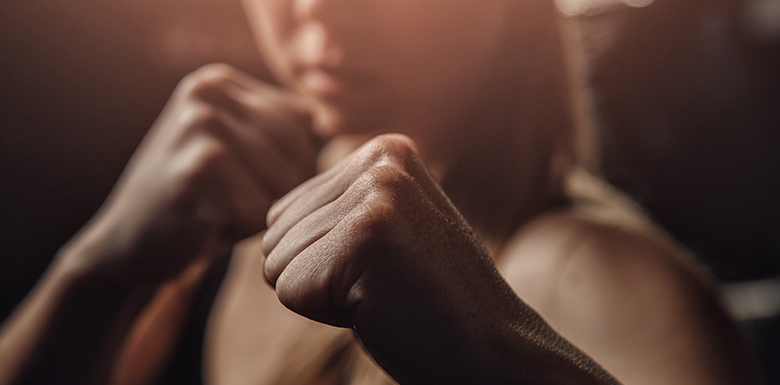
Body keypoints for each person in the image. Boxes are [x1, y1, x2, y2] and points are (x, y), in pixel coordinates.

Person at [0, 0, 761, 384]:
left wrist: (498, 355)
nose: (317, 6)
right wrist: (97, 265)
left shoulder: (600, 276)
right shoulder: (228, 219)